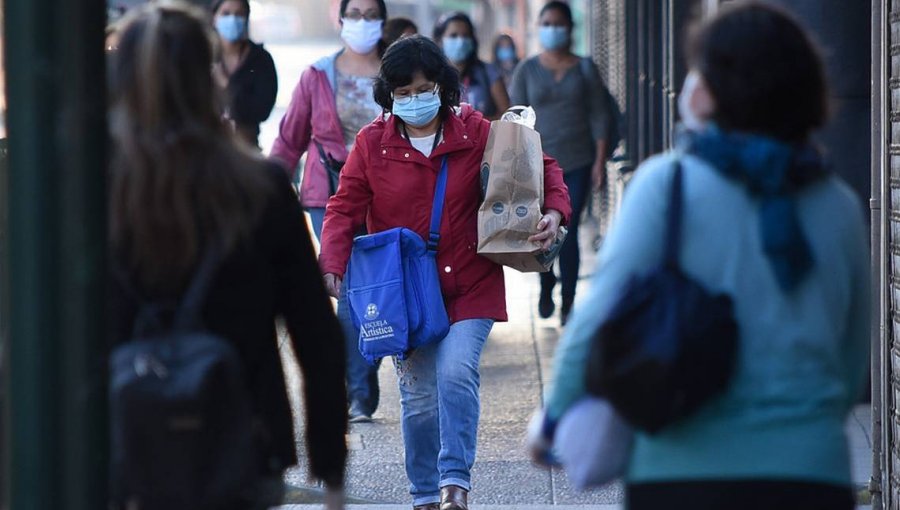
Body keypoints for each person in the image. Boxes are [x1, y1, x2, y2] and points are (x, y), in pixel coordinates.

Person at [535, 3, 868, 510]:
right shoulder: (838, 204)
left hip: (681, 473)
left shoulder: (666, 186)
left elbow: (597, 319)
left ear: (717, 91)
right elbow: (851, 354)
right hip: (811, 475)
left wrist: (554, 419)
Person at [107, 3, 347, 509]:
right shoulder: (259, 188)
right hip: (244, 437)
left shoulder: (90, 191)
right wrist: (329, 465)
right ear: (209, 79)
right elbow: (314, 331)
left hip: (119, 444)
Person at [319, 35, 570, 510]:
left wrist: (554, 211)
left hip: (469, 283)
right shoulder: (373, 145)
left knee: (456, 374)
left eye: (424, 87)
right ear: (390, 94)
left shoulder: (474, 131)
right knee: (417, 399)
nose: (415, 99)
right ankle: (423, 494)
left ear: (443, 87)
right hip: (406, 295)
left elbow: (542, 164)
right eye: (404, 91)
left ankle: (454, 482)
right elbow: (342, 208)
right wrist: (331, 265)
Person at [270, 0, 388, 424]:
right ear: (340, 20)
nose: (361, 22)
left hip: (386, 197)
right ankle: (357, 389)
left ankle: (365, 372)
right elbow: (289, 140)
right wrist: (265, 188)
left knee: (376, 287)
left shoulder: (396, 72)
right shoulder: (318, 75)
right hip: (329, 196)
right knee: (352, 284)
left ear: (382, 21)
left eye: (370, 14)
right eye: (353, 13)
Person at [509, 1, 610, 326]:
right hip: (537, 168)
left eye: (558, 24)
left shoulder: (585, 68)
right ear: (540, 28)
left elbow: (599, 116)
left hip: (578, 162)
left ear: (569, 29)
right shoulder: (526, 70)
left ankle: (568, 302)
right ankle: (545, 282)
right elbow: (516, 119)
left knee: (569, 228)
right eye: (547, 23)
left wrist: (599, 161)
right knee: (540, 230)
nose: (552, 29)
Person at [211, 0, 278, 148]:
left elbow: (262, 110)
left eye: (239, 14)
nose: (232, 19)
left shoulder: (261, 60)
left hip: (247, 148)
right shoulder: (203, 56)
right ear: (214, 18)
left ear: (246, 19)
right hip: (208, 150)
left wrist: (227, 85)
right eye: (226, 13)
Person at [433, 12, 510, 120]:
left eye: (465, 36)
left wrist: (477, 126)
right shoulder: (431, 76)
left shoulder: (488, 72)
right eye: (453, 35)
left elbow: (508, 116)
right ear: (440, 40)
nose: (460, 41)